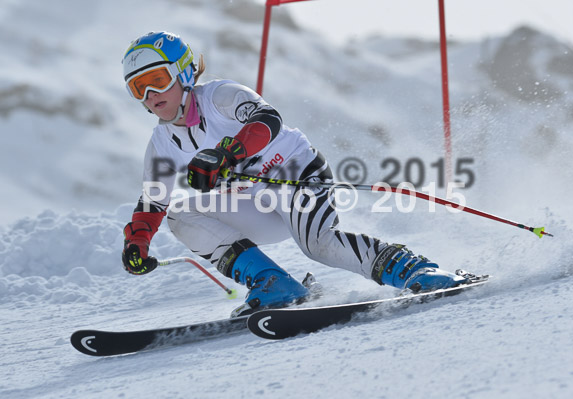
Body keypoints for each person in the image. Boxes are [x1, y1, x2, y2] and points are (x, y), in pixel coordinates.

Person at [120, 31, 470, 317]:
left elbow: (267, 120)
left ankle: (417, 271)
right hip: (256, 203)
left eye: (157, 80)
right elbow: (154, 199)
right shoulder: (163, 141)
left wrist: (227, 153)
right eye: (139, 89)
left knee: (319, 246)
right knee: (182, 214)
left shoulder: (220, 96)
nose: (150, 95)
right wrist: (137, 241)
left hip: (297, 176)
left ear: (182, 73)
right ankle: (275, 284)